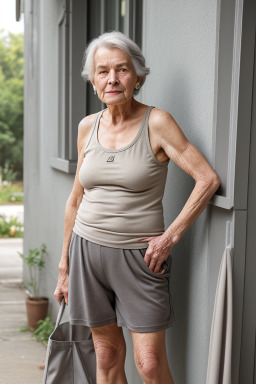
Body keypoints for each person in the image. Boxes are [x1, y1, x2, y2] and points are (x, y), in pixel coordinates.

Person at [54, 31, 220, 384]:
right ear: (93, 80)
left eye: (122, 70)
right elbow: (75, 200)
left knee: (149, 364)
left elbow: (207, 179)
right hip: (86, 252)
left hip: (140, 258)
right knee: (107, 355)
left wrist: (169, 237)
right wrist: (64, 265)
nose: (112, 79)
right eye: (102, 71)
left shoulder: (157, 123)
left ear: (138, 76)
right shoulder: (87, 127)